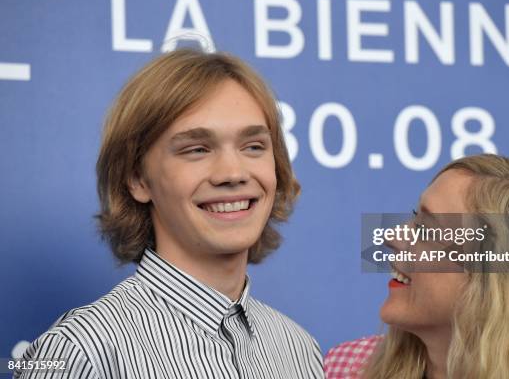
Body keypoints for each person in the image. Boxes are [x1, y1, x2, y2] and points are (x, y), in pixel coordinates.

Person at [16, 48, 324, 378]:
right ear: (137, 179)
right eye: (197, 149)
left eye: (253, 147)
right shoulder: (81, 351)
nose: (233, 173)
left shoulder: (298, 348)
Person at [324, 154, 509, 378]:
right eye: (415, 218)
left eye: (426, 229)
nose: (393, 237)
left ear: (499, 285)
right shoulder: (344, 370)